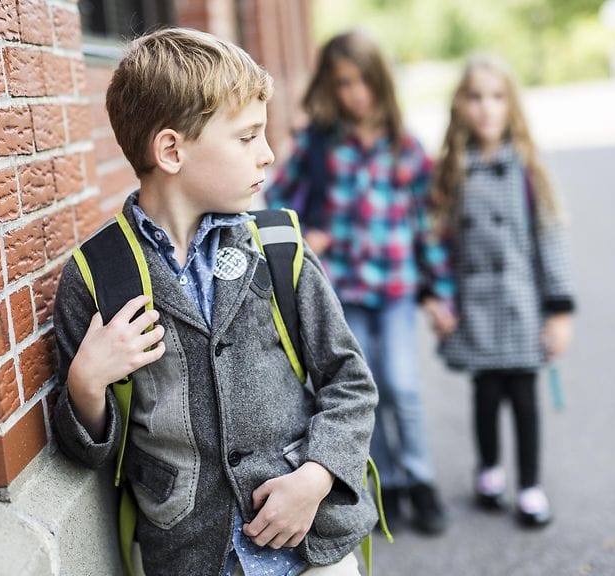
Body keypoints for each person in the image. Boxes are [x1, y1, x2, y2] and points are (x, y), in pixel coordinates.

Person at [51, 28, 379, 575]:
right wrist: (85, 385)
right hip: (192, 556)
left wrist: (318, 474)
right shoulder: (98, 277)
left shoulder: (278, 247)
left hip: (310, 546)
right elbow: (89, 453)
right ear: (172, 150)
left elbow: (351, 382)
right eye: (248, 137)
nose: (269, 154)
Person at [265, 30, 456, 536]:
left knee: (403, 386)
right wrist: (306, 237)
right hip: (343, 292)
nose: (356, 95)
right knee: (360, 389)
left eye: (364, 82)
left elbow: (427, 226)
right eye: (344, 83)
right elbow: (274, 205)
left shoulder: (405, 146)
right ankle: (386, 479)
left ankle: (420, 479)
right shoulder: (318, 144)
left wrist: (438, 292)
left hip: (395, 291)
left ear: (381, 82)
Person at [433, 53, 576, 528]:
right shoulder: (452, 171)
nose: (486, 108)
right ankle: (490, 468)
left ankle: (531, 485)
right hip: (474, 307)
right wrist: (439, 299)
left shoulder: (528, 169)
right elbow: (438, 243)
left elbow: (550, 238)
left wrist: (558, 309)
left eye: (497, 97)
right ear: (460, 106)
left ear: (511, 106)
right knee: (486, 393)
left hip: (521, 306)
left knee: (524, 396)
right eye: (475, 98)